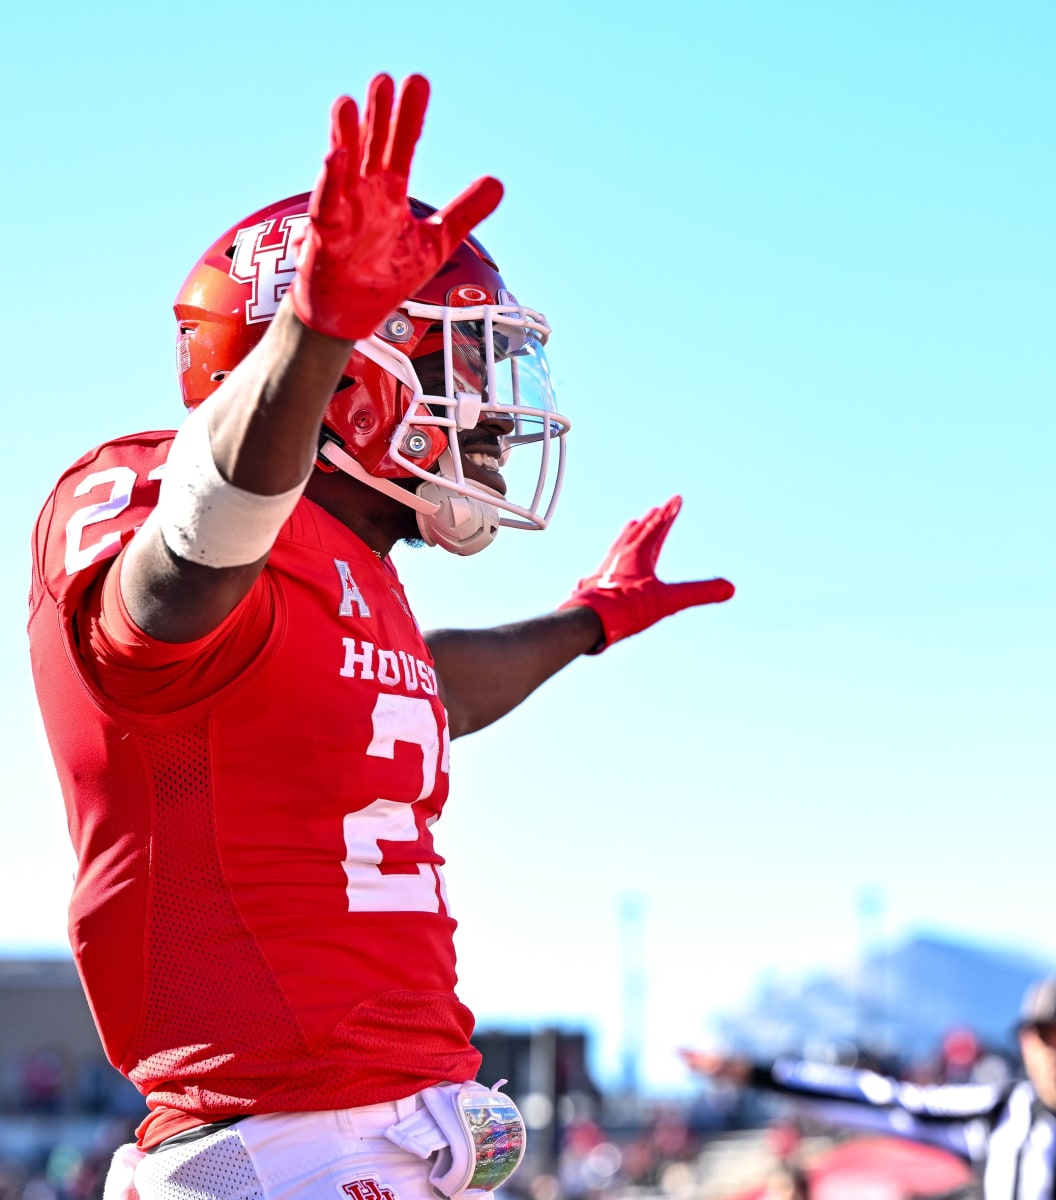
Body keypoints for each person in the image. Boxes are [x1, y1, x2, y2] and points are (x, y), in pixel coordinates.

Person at [27, 72, 734, 1200]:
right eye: (463, 362)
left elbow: (421, 689)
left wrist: (586, 623)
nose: (496, 410)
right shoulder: (156, 499)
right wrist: (313, 331)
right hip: (284, 1156)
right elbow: (167, 596)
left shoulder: (352, 579)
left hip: (408, 1141)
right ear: (354, 376)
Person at [683, 975, 1056, 1199]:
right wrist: (758, 1073)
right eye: (1040, 1036)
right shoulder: (994, 1116)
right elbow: (882, 1100)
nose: (1053, 1051)